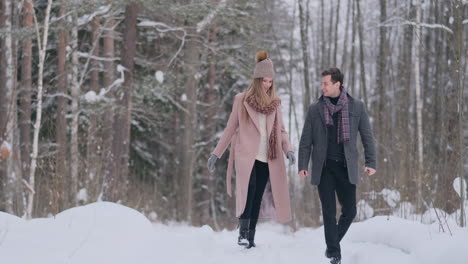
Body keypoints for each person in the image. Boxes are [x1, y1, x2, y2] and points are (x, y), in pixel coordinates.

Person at [207, 50, 295, 249]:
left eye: (271, 81)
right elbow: (230, 128)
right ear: (257, 80)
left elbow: (282, 131)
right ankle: (243, 232)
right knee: (249, 190)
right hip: (247, 155)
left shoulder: (275, 104)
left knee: (257, 196)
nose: (268, 85)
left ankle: (251, 236)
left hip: (268, 156)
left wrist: (288, 149)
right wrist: (216, 153)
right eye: (264, 81)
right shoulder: (242, 100)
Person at [298, 68, 376, 264]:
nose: (321, 86)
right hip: (323, 168)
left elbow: (367, 136)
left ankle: (332, 244)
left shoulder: (356, 106)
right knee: (329, 212)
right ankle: (335, 255)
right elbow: (305, 140)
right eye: (321, 83)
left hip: (346, 167)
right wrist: (302, 165)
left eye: (325, 83)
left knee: (350, 211)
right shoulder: (315, 109)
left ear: (337, 85)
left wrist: (371, 162)